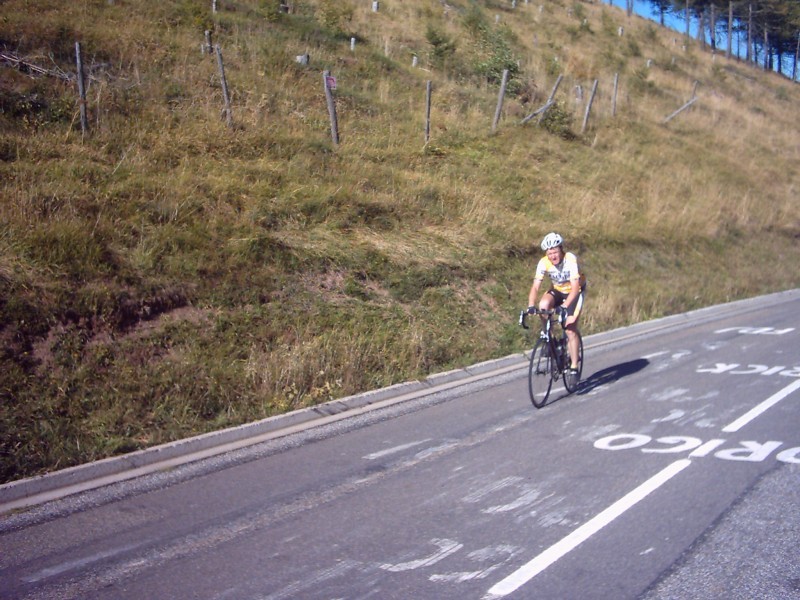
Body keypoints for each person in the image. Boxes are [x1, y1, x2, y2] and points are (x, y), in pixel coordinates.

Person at [527, 232, 586, 382]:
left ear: (561, 250)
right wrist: (530, 306)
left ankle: (573, 367)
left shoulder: (570, 260)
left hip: (575, 292)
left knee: (570, 327)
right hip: (558, 290)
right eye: (550, 253)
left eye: (555, 252)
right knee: (543, 305)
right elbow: (535, 287)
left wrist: (565, 306)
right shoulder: (544, 262)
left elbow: (574, 288)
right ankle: (550, 339)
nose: (553, 256)